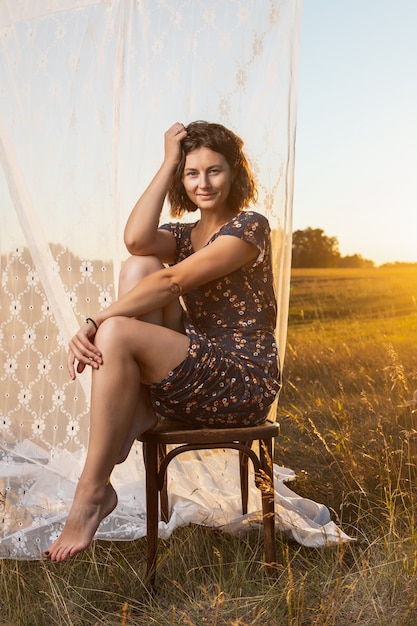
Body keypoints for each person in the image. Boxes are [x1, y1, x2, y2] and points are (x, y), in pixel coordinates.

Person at [44, 120, 281, 562]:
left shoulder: (250, 227)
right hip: (196, 361)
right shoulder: (182, 234)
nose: (203, 183)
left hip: (242, 377)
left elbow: (172, 284)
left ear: (235, 174)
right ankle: (128, 428)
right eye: (192, 173)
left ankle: (92, 490)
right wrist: (169, 159)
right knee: (139, 264)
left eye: (214, 171)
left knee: (119, 323)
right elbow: (135, 239)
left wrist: (95, 321)